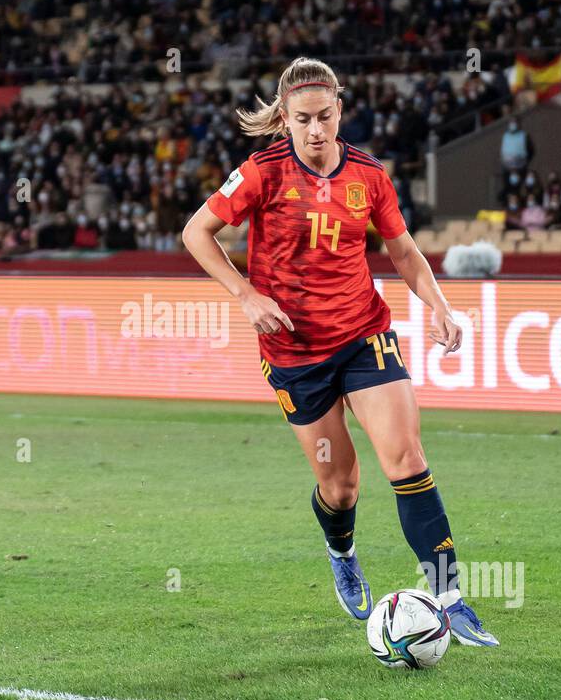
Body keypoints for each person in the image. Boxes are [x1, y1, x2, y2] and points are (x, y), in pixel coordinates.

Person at [181, 57, 498, 647]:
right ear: (286, 120)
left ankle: (451, 598)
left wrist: (438, 305)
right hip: (295, 353)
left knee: (405, 457)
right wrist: (245, 294)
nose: (317, 130)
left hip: (363, 334)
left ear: (340, 110)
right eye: (303, 120)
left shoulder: (369, 176)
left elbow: (402, 251)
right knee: (341, 486)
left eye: (326, 116)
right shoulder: (260, 173)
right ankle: (342, 548)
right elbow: (195, 232)